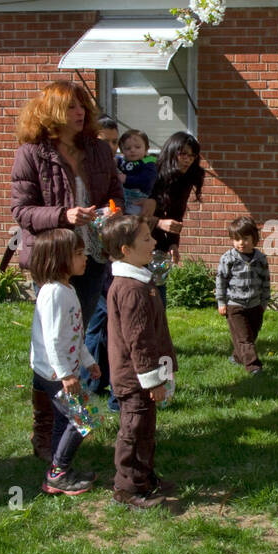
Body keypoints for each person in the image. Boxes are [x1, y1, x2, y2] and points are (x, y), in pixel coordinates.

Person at [11, 81, 123, 457]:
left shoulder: (97, 150)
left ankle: (70, 424)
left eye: (82, 106)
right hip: (53, 256)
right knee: (51, 340)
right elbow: (22, 211)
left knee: (76, 331)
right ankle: (45, 433)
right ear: (51, 112)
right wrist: (63, 215)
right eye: (71, 107)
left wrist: (110, 212)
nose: (80, 113)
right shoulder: (31, 153)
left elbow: (115, 194)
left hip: (91, 254)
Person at [102, 214, 178, 509]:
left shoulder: (138, 281)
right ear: (126, 250)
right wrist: (153, 380)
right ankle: (126, 488)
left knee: (145, 428)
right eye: (146, 239)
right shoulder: (131, 289)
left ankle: (143, 477)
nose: (154, 242)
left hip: (140, 377)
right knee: (133, 430)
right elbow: (139, 341)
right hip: (135, 379)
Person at [29, 228, 100, 495]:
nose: (86, 259)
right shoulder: (54, 293)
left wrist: (88, 361)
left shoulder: (65, 289)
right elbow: (53, 339)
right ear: (60, 258)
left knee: (66, 420)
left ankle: (60, 469)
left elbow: (74, 333)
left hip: (63, 371)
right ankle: (57, 473)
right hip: (56, 374)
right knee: (83, 419)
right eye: (79, 254)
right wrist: (66, 375)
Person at [216, 216, 270, 374]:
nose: (241, 243)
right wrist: (221, 302)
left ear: (254, 238)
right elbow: (220, 281)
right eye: (236, 239)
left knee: (251, 335)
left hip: (255, 305)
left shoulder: (260, 259)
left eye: (245, 239)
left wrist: (264, 302)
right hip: (235, 305)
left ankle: (237, 357)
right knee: (244, 338)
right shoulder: (228, 258)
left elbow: (266, 281)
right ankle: (254, 367)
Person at [150, 130, 205, 267]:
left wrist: (173, 244)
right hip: (133, 241)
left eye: (192, 156)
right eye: (183, 154)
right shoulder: (150, 173)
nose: (188, 160)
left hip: (157, 244)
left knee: (159, 287)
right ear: (171, 152)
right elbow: (131, 214)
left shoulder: (184, 180)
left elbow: (176, 215)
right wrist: (158, 223)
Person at [116, 129, 158, 217]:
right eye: (128, 148)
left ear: (146, 149)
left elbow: (147, 181)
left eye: (137, 147)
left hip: (139, 199)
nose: (132, 150)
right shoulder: (122, 161)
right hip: (124, 199)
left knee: (134, 221)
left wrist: (127, 179)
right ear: (122, 150)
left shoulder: (148, 162)